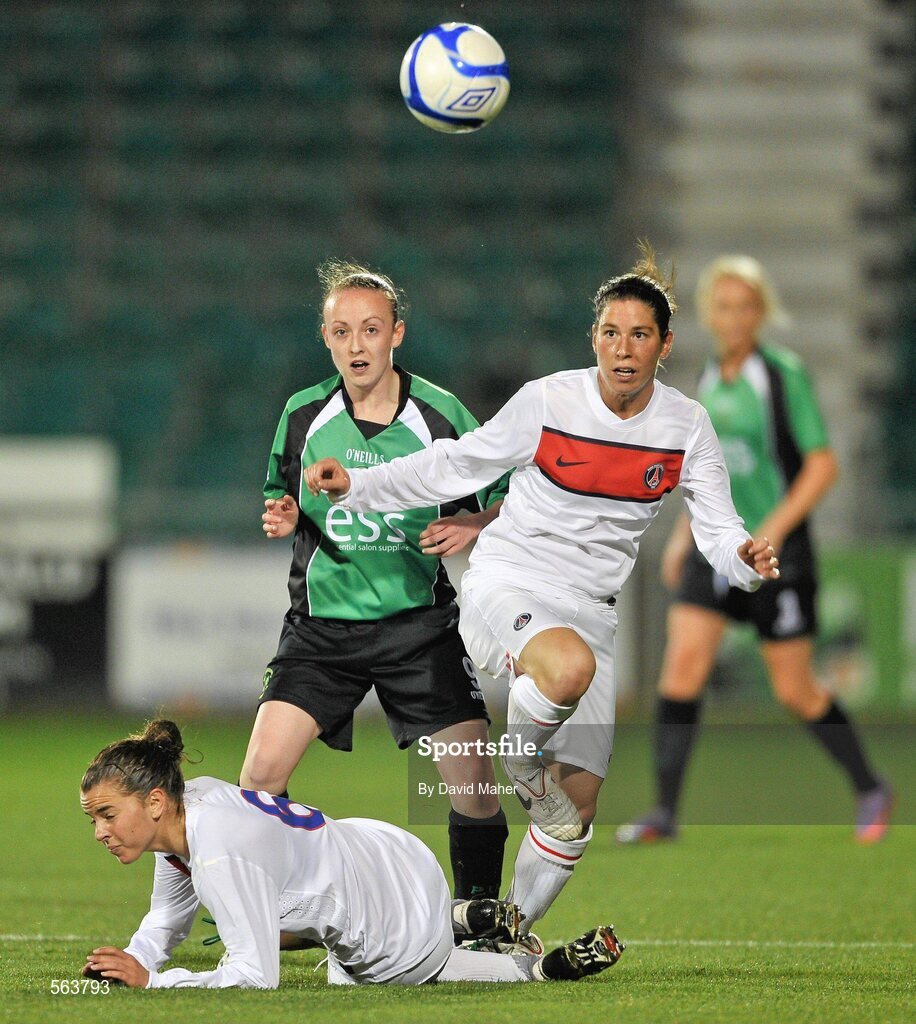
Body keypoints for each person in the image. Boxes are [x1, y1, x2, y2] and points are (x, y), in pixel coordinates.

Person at [302, 243, 781, 941]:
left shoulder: (686, 427)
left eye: (639, 335)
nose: (623, 349)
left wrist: (743, 556)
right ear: (594, 340)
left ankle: (503, 931)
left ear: (665, 345)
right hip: (512, 579)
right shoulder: (550, 401)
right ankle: (522, 759)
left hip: (595, 611)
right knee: (566, 671)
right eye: (611, 333)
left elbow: (719, 529)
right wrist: (363, 484)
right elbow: (453, 465)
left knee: (576, 809)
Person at [240, 260, 510, 901]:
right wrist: (281, 513)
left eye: (370, 329)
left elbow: (510, 490)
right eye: (342, 331)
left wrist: (474, 521)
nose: (356, 345)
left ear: (397, 334)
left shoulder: (442, 415)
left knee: (474, 786)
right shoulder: (303, 414)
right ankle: (272, 912)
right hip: (322, 630)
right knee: (256, 785)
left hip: (419, 627)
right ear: (325, 338)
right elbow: (281, 493)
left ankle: (480, 917)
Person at [615, 255, 892, 846]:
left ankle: (870, 785)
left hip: (777, 554)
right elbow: (708, 475)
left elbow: (821, 466)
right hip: (721, 548)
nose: (734, 317)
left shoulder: (781, 374)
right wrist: (687, 538)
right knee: (683, 666)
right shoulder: (713, 377)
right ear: (709, 315)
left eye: (745, 306)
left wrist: (771, 530)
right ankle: (664, 811)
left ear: (761, 313)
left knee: (796, 690)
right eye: (723, 305)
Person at [79, 720, 625, 988]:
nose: (100, 832)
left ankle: (528, 971)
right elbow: (166, 916)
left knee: (335, 962)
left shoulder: (218, 849)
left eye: (107, 814)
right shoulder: (190, 804)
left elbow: (253, 975)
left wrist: (155, 982)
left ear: (153, 802)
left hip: (387, 931)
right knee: (272, 912)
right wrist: (133, 961)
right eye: (94, 819)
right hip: (392, 854)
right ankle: (464, 920)